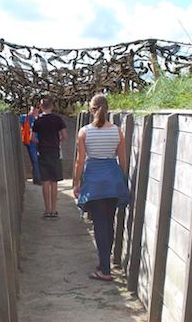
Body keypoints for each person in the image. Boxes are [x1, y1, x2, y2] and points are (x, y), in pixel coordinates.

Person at [72, 94, 129, 281]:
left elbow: (80, 162)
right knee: (109, 223)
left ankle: (104, 270)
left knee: (99, 226)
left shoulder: (84, 132)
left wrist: (76, 183)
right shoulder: (118, 132)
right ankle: (105, 263)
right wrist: (121, 180)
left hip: (94, 182)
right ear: (107, 108)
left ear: (92, 110)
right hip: (112, 180)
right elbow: (123, 161)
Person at [32, 97, 67, 219]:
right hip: (55, 151)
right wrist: (57, 142)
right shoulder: (58, 119)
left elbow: (32, 137)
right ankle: (54, 210)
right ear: (52, 106)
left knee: (45, 181)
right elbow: (64, 135)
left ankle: (47, 210)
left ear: (41, 107)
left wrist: (39, 143)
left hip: (43, 152)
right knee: (54, 181)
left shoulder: (38, 120)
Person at [19, 106, 41, 185]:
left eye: (37, 110)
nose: (36, 112)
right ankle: (37, 179)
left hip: (39, 142)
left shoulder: (39, 118)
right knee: (35, 160)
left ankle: (37, 178)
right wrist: (29, 115)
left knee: (37, 161)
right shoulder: (25, 117)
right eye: (34, 110)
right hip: (30, 142)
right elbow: (21, 121)